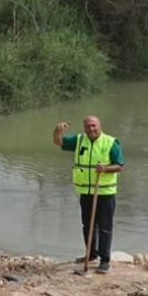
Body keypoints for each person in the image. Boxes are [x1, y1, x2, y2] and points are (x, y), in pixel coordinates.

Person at [53, 116, 125, 274]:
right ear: (84, 128)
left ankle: (105, 260)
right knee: (88, 225)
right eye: (88, 126)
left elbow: (120, 166)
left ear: (100, 126)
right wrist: (57, 131)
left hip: (104, 191)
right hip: (86, 191)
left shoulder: (110, 142)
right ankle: (91, 254)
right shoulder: (79, 140)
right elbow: (59, 142)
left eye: (93, 126)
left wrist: (105, 169)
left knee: (105, 226)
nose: (91, 129)